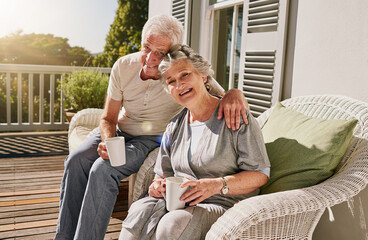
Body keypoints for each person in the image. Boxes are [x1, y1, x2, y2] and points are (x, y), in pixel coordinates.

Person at [55, 15, 249, 240]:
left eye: (159, 52)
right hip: (118, 130)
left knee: (103, 170)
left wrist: (236, 93)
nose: (150, 58)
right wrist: (108, 141)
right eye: (146, 47)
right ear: (140, 42)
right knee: (75, 160)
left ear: (172, 51)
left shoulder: (179, 72)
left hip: (148, 139)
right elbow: (108, 117)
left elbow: (219, 93)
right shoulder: (123, 66)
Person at [118, 45, 270, 240]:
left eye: (184, 75)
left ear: (203, 75)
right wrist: (157, 186)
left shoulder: (235, 117)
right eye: (171, 81)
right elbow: (161, 174)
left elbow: (260, 174)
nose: (179, 85)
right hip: (178, 203)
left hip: (222, 204)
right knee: (138, 211)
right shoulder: (174, 126)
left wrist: (216, 185)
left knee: (172, 223)